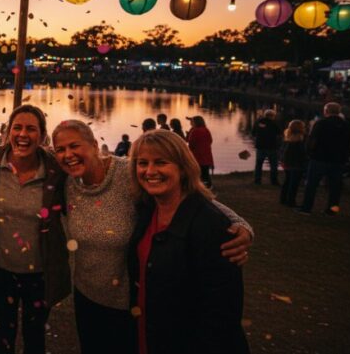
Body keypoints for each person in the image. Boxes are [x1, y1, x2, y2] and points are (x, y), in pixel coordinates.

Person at [52, 120, 252, 354]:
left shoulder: (128, 173)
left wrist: (241, 224)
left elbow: (193, 198)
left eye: (75, 146)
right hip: (86, 297)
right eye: (60, 149)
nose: (68, 155)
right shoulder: (67, 183)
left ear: (95, 145)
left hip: (129, 303)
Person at [128, 130, 250, 354]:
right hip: (152, 333)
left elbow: (222, 310)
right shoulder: (147, 209)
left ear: (183, 168)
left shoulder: (210, 224)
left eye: (161, 162)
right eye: (142, 163)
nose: (150, 171)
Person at [0, 105, 70, 354]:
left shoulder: (55, 171)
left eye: (31, 129)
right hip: (1, 271)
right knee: (3, 335)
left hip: (40, 273)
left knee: (35, 336)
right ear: (8, 132)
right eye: (17, 128)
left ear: (42, 135)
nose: (23, 134)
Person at [299, 102, 350, 215]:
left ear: (326, 111)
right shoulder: (346, 125)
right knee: (335, 187)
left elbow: (312, 140)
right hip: (338, 159)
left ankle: (306, 208)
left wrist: (309, 152)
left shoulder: (321, 123)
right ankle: (332, 209)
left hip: (319, 158)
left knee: (312, 184)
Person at [279, 120, 307, 207]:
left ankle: (283, 199)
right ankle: (291, 201)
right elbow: (303, 153)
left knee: (287, 181)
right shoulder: (301, 139)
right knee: (294, 183)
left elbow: (282, 151)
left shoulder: (287, 137)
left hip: (287, 163)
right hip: (297, 164)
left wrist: (282, 161)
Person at [253, 109, 282, 185]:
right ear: (272, 116)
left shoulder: (257, 122)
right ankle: (274, 181)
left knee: (259, 164)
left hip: (260, 146)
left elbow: (253, 133)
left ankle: (257, 180)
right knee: (273, 165)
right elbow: (280, 133)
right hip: (272, 147)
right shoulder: (274, 123)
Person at [186, 115, 214, 189]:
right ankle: (208, 185)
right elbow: (210, 140)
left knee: (197, 171)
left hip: (197, 155)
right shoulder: (206, 130)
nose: (191, 123)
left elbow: (191, 143)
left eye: (192, 122)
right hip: (206, 154)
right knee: (205, 171)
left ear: (195, 122)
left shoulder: (195, 131)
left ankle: (200, 186)